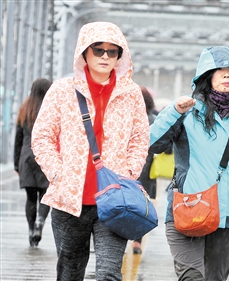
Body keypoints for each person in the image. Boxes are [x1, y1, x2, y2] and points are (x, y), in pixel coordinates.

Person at [31, 21, 149, 281]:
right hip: (69, 201)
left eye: (112, 51)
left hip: (115, 200)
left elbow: (140, 138)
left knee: (108, 273)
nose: (105, 56)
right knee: (70, 273)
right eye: (98, 50)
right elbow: (42, 137)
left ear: (121, 55)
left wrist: (128, 172)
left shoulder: (131, 94)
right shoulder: (62, 90)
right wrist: (58, 175)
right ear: (84, 52)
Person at [149, 46, 229, 281]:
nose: (227, 75)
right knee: (192, 277)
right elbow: (153, 143)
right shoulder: (186, 111)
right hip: (188, 208)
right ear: (207, 76)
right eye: (220, 70)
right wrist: (173, 112)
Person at [14, 78, 52, 247]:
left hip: (27, 156)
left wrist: (17, 164)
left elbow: (18, 140)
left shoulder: (25, 109)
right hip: (45, 155)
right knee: (45, 195)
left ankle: (31, 231)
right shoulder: (50, 110)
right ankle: (40, 222)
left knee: (30, 198)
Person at [132, 85, 158, 254]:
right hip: (146, 170)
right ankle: (137, 241)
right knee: (142, 207)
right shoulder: (153, 120)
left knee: (123, 203)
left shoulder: (126, 118)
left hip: (126, 170)